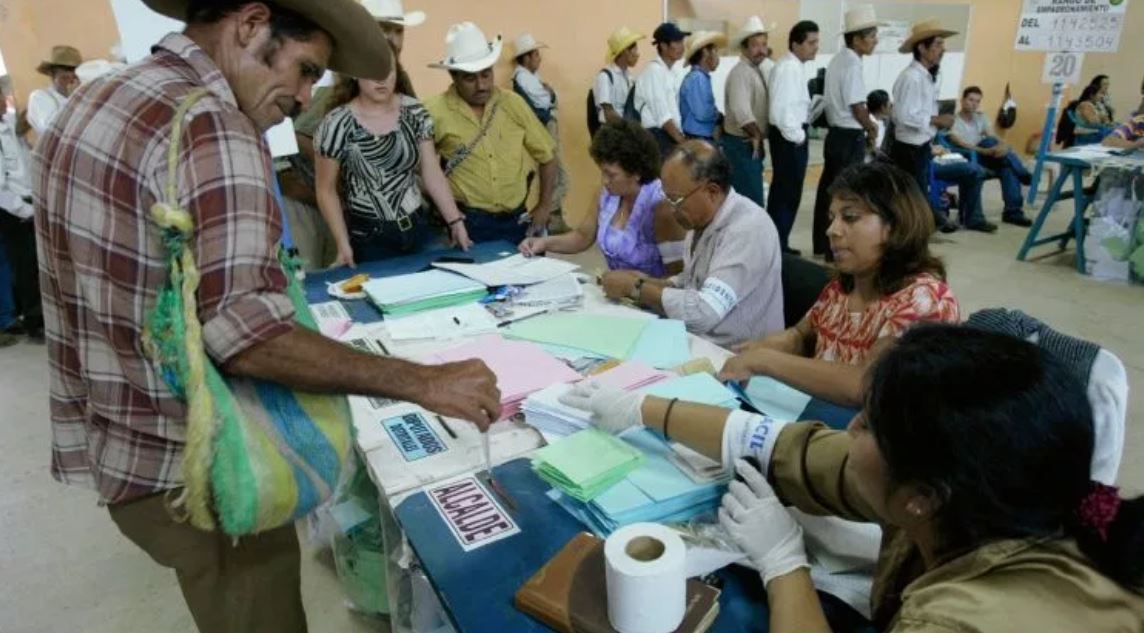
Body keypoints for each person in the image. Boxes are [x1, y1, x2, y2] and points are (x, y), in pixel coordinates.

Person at [34, 3, 502, 631]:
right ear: (252, 24)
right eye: (305, 69)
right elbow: (246, 335)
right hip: (207, 468)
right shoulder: (213, 125)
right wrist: (425, 383)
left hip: (124, 444)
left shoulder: (99, 99)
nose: (305, 95)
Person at [561, 325, 1144, 632]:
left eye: (869, 425)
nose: (851, 426)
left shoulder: (963, 620)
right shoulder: (982, 493)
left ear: (921, 499)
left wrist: (786, 568)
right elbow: (788, 448)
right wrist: (643, 410)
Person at [720, 162, 959, 407]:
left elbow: (867, 385)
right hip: (819, 417)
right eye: (832, 218)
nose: (832, 230)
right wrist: (756, 349)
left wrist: (765, 360)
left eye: (850, 217)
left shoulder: (925, 299)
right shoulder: (843, 287)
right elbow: (801, 335)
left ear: (895, 225)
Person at [599, 141, 784, 347]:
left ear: (712, 192)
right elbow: (695, 280)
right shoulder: (701, 221)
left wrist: (636, 288)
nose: (670, 209)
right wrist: (657, 283)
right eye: (666, 198)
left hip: (734, 354)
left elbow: (703, 312)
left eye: (675, 200)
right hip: (700, 340)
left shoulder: (747, 230)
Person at [316, 68, 473, 267]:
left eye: (387, 69)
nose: (381, 78)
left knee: (437, 288)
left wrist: (455, 221)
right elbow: (325, 190)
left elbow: (431, 172)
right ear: (355, 72)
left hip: (419, 226)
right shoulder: (336, 123)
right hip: (370, 235)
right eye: (372, 68)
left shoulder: (414, 110)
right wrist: (342, 243)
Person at [424, 22, 558, 244]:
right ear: (453, 77)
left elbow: (548, 156)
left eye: (486, 74)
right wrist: (445, 211)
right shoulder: (433, 111)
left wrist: (544, 206)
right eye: (470, 78)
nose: (481, 85)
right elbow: (416, 168)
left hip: (518, 221)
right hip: (468, 224)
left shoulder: (513, 104)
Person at [519, 119, 686, 277]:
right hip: (618, 294)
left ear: (636, 172)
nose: (604, 181)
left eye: (611, 175)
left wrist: (636, 287)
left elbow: (677, 277)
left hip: (650, 301)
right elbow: (582, 236)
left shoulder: (661, 207)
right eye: (602, 172)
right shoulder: (607, 194)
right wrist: (544, 243)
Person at [813, 6, 880, 260]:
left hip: (835, 135)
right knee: (845, 195)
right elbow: (857, 106)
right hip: (849, 136)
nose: (875, 41)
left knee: (828, 191)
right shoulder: (852, 64)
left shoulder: (838, 60)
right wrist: (871, 127)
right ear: (857, 39)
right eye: (871, 36)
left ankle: (822, 243)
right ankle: (835, 250)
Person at [891, 20, 959, 233]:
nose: (942, 50)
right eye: (937, 45)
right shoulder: (912, 78)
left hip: (920, 143)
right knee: (911, 194)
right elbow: (903, 116)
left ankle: (924, 224)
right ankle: (916, 229)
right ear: (922, 47)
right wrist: (936, 120)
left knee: (916, 191)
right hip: (908, 146)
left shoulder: (926, 77)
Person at [767, 21, 819, 255]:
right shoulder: (788, 68)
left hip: (792, 136)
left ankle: (781, 242)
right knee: (785, 194)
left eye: (816, 42)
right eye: (811, 42)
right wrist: (797, 136)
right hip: (789, 138)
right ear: (795, 43)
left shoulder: (795, 66)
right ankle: (777, 245)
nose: (815, 47)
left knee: (790, 193)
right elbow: (781, 111)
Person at [948, 85, 1034, 227]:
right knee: (990, 144)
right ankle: (1023, 173)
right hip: (969, 156)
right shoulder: (954, 121)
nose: (974, 104)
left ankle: (1013, 213)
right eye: (970, 100)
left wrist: (1004, 145)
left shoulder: (980, 117)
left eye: (977, 101)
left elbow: (993, 136)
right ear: (962, 100)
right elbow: (961, 144)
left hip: (988, 155)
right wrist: (984, 151)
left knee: (1006, 165)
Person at [512, 33, 570, 233]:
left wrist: (551, 94)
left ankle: (549, 220)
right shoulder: (522, 77)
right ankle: (537, 215)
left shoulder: (531, 77)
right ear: (526, 57)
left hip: (547, 124)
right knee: (560, 178)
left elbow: (550, 98)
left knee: (558, 178)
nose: (539, 58)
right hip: (544, 127)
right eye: (536, 54)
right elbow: (545, 101)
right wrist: (551, 93)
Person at [721, 16, 772, 210]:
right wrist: (757, 136)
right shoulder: (741, 73)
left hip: (748, 143)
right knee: (750, 203)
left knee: (750, 199)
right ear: (744, 48)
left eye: (764, 45)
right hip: (742, 144)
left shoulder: (753, 70)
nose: (761, 50)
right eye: (755, 45)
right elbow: (742, 112)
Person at [0, 102, 39, 344]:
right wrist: (25, 210)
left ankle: (22, 316)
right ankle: (34, 321)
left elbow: (27, 164)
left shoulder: (10, 127)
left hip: (26, 202)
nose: (4, 100)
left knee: (32, 265)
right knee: (24, 267)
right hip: (12, 210)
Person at [635, 22, 691, 157]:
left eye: (682, 41)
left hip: (668, 136)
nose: (681, 46)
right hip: (657, 137)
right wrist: (683, 143)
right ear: (663, 46)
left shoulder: (670, 72)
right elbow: (663, 117)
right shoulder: (654, 72)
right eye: (676, 42)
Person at [361, 0, 424, 97]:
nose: (395, 42)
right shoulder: (334, 77)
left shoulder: (401, 77)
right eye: (384, 29)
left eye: (399, 31)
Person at [678, 32, 726, 141]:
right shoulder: (697, 78)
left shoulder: (700, 77)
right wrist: (718, 116)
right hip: (698, 138)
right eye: (715, 52)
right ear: (705, 52)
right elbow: (703, 113)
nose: (718, 57)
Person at [27, 45, 82, 136]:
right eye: (66, 69)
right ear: (52, 73)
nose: (71, 75)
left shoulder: (84, 95)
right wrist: (74, 97)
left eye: (75, 70)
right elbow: (50, 130)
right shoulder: (39, 97)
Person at [594, 27, 644, 127]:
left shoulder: (629, 77)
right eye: (635, 50)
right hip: (612, 132)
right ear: (625, 51)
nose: (638, 54)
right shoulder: (605, 77)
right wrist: (628, 129)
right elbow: (608, 112)